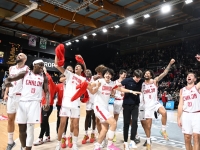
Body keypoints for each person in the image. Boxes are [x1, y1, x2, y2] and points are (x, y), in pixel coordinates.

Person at [90, 68, 141, 150]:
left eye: (109, 74)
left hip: (105, 108)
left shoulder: (112, 83)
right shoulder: (100, 81)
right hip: (98, 107)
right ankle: (110, 145)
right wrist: (94, 87)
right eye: (106, 73)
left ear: (111, 76)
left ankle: (97, 146)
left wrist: (131, 91)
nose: (108, 75)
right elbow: (90, 87)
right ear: (104, 75)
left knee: (105, 129)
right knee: (113, 122)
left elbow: (120, 89)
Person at [4, 59, 50, 150]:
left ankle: (28, 148)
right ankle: (24, 147)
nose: (41, 67)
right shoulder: (25, 73)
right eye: (39, 65)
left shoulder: (43, 77)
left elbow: (47, 91)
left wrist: (47, 101)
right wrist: (6, 82)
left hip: (35, 103)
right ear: (34, 65)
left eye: (43, 65)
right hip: (22, 103)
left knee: (30, 128)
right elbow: (10, 78)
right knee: (21, 128)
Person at [54, 55, 88, 150]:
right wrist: (57, 54)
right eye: (75, 66)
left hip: (76, 103)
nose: (76, 67)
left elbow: (89, 86)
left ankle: (75, 144)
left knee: (76, 124)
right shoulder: (69, 74)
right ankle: (58, 143)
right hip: (66, 103)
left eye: (79, 66)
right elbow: (57, 65)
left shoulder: (83, 79)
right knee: (62, 124)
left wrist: (83, 62)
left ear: (82, 70)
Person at [140, 59, 175, 150]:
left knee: (164, 112)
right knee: (148, 127)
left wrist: (169, 64)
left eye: (148, 73)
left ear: (151, 75)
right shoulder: (142, 84)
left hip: (155, 103)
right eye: (145, 73)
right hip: (147, 107)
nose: (146, 74)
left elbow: (164, 73)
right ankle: (148, 142)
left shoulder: (155, 81)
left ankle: (163, 130)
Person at [3, 53, 29, 150]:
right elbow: (9, 81)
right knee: (10, 120)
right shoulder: (11, 68)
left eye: (21, 55)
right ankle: (10, 142)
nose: (19, 56)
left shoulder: (26, 69)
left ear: (25, 59)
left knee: (21, 122)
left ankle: (23, 144)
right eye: (18, 55)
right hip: (11, 96)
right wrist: (6, 93)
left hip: (21, 98)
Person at [177, 54, 200, 150]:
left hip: (197, 114)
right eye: (188, 75)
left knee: (196, 137)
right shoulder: (182, 90)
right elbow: (180, 105)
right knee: (187, 138)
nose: (189, 76)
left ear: (195, 79)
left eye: (191, 76)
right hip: (186, 115)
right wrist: (178, 118)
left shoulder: (197, 88)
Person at [33, 66, 56, 146]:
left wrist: (45, 71)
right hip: (43, 105)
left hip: (48, 106)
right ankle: (47, 135)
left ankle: (40, 138)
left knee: (43, 121)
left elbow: (49, 79)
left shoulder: (52, 85)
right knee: (45, 121)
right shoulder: (43, 85)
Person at [56, 65, 74, 148]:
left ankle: (70, 137)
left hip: (73, 103)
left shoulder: (75, 78)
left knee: (73, 122)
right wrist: (68, 76)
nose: (69, 70)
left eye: (71, 69)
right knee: (62, 123)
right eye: (68, 69)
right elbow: (60, 79)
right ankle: (61, 139)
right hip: (64, 103)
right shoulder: (64, 79)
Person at [112, 69, 127, 142]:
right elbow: (113, 93)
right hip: (117, 101)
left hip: (125, 101)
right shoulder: (115, 82)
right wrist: (112, 94)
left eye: (125, 75)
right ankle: (113, 134)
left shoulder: (126, 82)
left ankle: (127, 135)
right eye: (124, 74)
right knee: (115, 119)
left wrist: (125, 93)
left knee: (127, 118)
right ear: (120, 74)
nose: (125, 76)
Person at [82, 69, 96, 144]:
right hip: (88, 100)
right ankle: (86, 134)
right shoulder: (84, 80)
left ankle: (93, 133)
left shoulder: (94, 78)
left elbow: (99, 75)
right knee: (87, 116)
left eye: (89, 71)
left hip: (94, 100)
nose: (87, 72)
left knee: (94, 117)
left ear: (91, 72)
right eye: (86, 72)